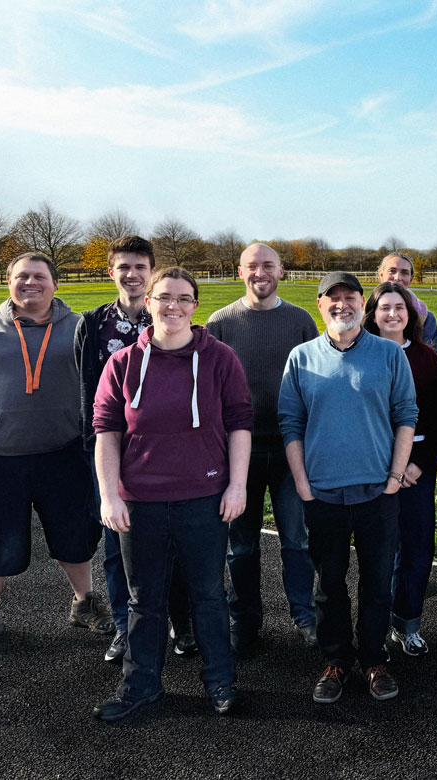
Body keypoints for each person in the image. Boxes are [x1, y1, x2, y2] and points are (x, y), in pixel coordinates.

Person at [90, 266, 252, 722]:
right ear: (149, 302)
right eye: (164, 297)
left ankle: (221, 681)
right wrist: (109, 495)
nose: (173, 306)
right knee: (144, 599)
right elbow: (106, 432)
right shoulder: (121, 364)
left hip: (203, 497)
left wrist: (236, 485)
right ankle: (140, 687)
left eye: (183, 298)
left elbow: (241, 423)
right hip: (139, 502)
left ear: (195, 305)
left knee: (208, 595)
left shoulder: (220, 358)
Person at [0, 252, 110, 659]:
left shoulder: (80, 329)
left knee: (76, 535)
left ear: (56, 283)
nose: (30, 283)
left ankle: (84, 601)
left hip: (66, 454)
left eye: (39, 276)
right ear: (8, 281)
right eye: (22, 276)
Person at [279, 271, 417, 703]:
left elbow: (406, 415)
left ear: (364, 305)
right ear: (320, 305)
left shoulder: (390, 355)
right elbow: (291, 423)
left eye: (351, 297)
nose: (342, 304)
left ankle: (374, 658)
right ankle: (337, 660)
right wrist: (302, 483)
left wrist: (395, 479)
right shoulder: (301, 358)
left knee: (378, 582)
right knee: (329, 584)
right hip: (322, 494)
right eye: (332, 298)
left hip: (378, 493)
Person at [75, 234, 194, 663]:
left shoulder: (170, 315)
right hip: (113, 451)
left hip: (167, 452)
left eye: (140, 267)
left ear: (151, 271)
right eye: (123, 267)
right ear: (112, 272)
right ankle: (127, 630)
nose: (132, 274)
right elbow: (88, 392)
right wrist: (97, 450)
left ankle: (182, 623)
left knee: (177, 541)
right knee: (117, 543)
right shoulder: (92, 325)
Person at [207, 243, 320, 657]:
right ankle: (245, 619)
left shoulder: (300, 320)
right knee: (242, 545)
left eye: (268, 265)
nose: (260, 272)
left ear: (281, 271)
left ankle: (305, 616)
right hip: (238, 454)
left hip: (291, 450)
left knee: (296, 539)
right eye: (252, 266)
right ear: (240, 271)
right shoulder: (220, 323)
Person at [363, 282, 437, 656]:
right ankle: (374, 628)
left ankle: (407, 624)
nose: (393, 314)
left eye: (400, 307)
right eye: (385, 307)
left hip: (416, 470)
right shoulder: (361, 355)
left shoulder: (426, 357)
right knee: (378, 551)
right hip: (372, 470)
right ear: (373, 313)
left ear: (411, 315)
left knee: (416, 547)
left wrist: (418, 465)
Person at [377, 252, 437, 351]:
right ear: (381, 275)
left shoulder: (427, 319)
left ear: (411, 279)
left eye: (404, 272)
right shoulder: (364, 315)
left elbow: (430, 361)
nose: (398, 277)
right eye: (392, 271)